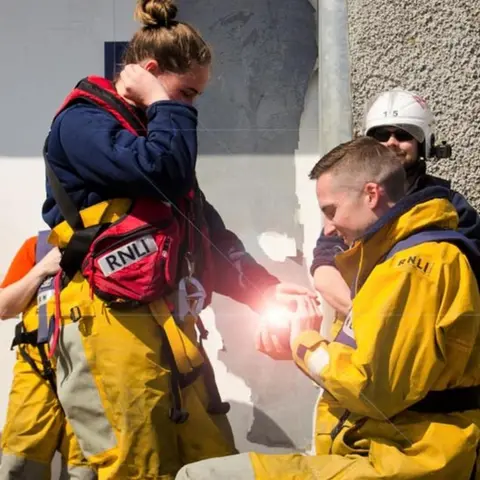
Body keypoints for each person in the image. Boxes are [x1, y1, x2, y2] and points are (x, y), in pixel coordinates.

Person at [38, 0, 313, 478]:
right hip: (110, 323)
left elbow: (202, 229)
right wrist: (165, 106)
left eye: (193, 99)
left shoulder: (155, 132)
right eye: (185, 92)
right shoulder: (82, 124)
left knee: (209, 457)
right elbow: (161, 170)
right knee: (137, 464)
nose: (189, 108)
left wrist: (262, 288)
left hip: (168, 320)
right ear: (148, 72)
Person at [174, 136, 480, 479]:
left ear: (371, 194)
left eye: (331, 211)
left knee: (198, 477)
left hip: (407, 463)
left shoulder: (416, 267)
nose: (329, 228)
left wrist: (304, 343)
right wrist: (299, 347)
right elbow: (370, 364)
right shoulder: (390, 262)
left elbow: (371, 390)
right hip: (381, 454)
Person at [311, 87, 480, 316]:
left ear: (424, 144)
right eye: (381, 135)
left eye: (403, 134)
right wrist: (366, 320)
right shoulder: (354, 204)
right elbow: (324, 268)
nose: (391, 142)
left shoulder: (448, 206)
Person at [0, 233, 96, 479]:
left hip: (93, 376)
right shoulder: (39, 245)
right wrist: (43, 268)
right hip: (36, 373)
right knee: (18, 460)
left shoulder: (117, 240)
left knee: (86, 468)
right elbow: (4, 307)